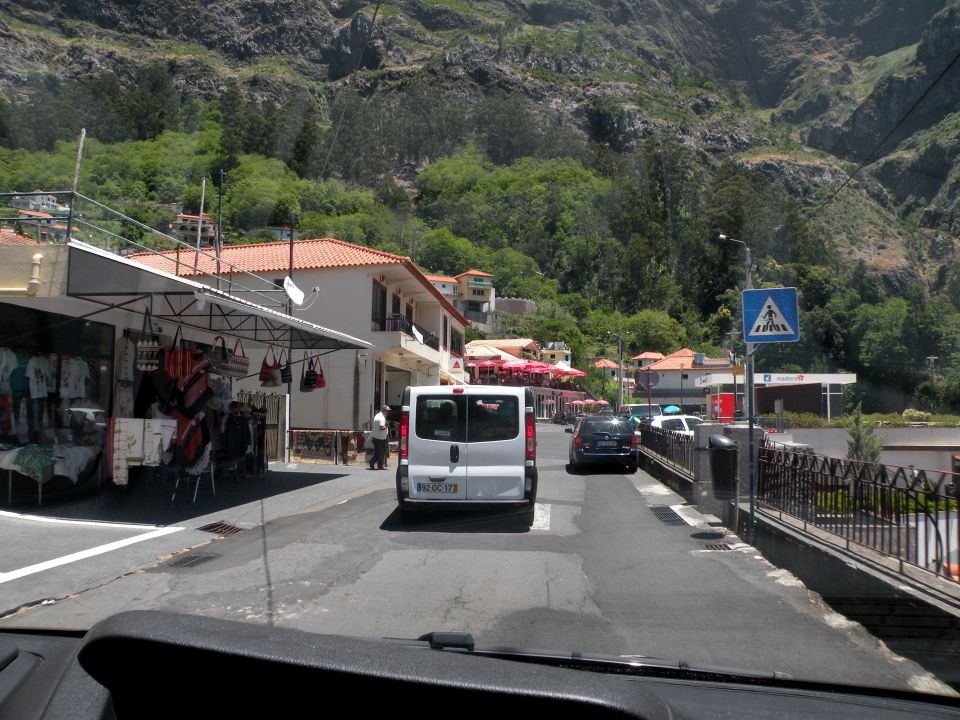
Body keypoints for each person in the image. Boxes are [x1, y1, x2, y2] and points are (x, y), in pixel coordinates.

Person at [370, 404, 390, 470]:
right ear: (383, 410)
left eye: (388, 411)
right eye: (386, 411)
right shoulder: (382, 418)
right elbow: (381, 428)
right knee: (381, 453)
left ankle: (375, 464)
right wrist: (386, 426)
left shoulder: (378, 415)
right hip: (380, 438)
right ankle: (378, 465)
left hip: (376, 437)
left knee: (377, 452)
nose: (388, 412)